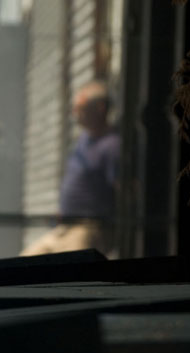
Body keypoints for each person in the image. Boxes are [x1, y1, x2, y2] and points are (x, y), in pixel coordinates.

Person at [21, 81, 121, 256]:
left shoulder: (111, 146)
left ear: (100, 108)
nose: (76, 114)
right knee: (24, 264)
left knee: (70, 272)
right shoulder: (84, 139)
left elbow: (121, 191)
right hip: (64, 226)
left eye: (81, 108)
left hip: (87, 228)